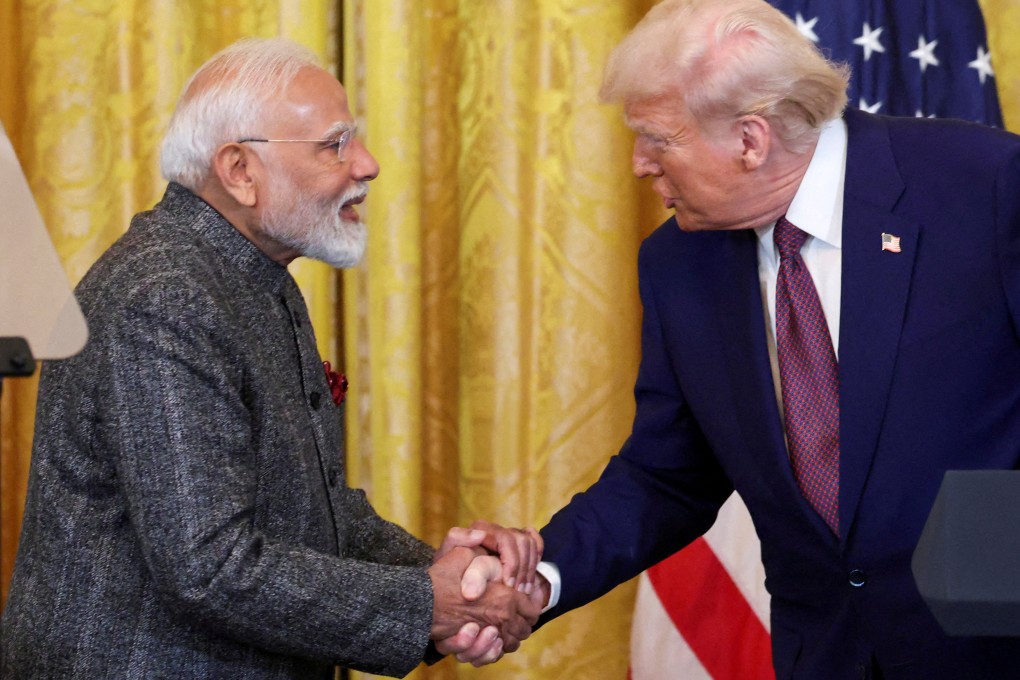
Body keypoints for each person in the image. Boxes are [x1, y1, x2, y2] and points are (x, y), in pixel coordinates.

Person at [474, 0, 1020, 677]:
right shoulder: (678, 263)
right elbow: (666, 476)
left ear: (750, 139)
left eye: (656, 137)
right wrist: (541, 574)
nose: (640, 165)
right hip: (823, 657)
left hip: (993, 647)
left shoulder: (987, 188)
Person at [0, 38, 544, 679]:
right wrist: (430, 603)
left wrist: (439, 575)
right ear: (238, 170)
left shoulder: (251, 275)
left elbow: (312, 513)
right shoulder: (165, 295)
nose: (366, 164)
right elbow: (209, 564)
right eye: (334, 144)